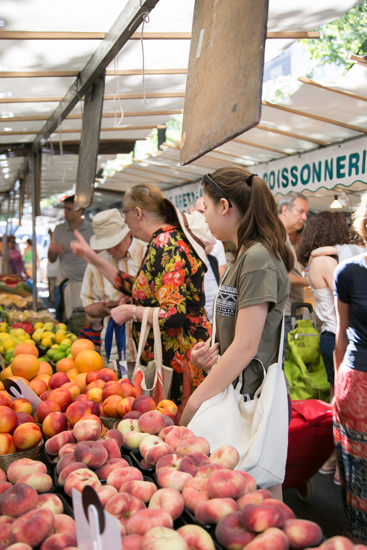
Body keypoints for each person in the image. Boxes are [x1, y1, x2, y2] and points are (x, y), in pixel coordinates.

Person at [180, 167, 293, 499]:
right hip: (238, 398)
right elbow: (238, 340)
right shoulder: (244, 254)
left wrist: (195, 402)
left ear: (225, 206)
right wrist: (209, 357)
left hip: (251, 402)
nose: (206, 215)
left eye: (206, 206)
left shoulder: (257, 257)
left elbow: (246, 346)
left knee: (258, 503)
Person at [71, 184, 211, 414]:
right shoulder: (162, 241)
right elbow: (137, 286)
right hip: (174, 357)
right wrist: (93, 259)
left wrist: (131, 312)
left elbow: (174, 315)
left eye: (125, 213)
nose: (124, 222)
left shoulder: (165, 244)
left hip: (179, 360)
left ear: (138, 213)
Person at [297, 211, 350, 482]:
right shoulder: (329, 263)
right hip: (337, 336)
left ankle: (330, 461)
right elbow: (343, 306)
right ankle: (334, 462)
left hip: (327, 335)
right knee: (340, 403)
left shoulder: (316, 261)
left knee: (336, 399)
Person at [333, 191, 367, 543]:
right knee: (357, 467)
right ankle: (357, 536)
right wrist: (335, 389)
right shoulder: (350, 272)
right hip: (357, 384)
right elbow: (341, 335)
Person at [80, 208, 146, 362]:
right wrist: (105, 308)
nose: (112, 249)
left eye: (116, 243)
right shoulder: (97, 264)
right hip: (115, 350)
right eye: (107, 245)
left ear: (127, 233)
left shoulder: (147, 252)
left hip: (148, 349)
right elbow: (88, 305)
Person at [48, 195, 93, 326]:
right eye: (65, 208)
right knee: (62, 321)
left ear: (80, 211)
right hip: (64, 284)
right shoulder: (59, 230)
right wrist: (52, 250)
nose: (65, 212)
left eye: (69, 209)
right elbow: (52, 259)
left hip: (87, 284)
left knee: (84, 322)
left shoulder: (91, 229)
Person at [278, 192, 310, 350]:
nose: (304, 218)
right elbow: (281, 276)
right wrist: (311, 280)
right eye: (300, 212)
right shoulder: (277, 235)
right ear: (285, 210)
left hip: (290, 311)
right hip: (283, 313)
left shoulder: (283, 235)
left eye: (306, 213)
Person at [190, 196, 226, 322]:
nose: (213, 242)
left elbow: (220, 282)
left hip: (214, 320)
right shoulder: (188, 263)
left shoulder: (212, 259)